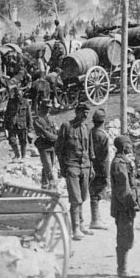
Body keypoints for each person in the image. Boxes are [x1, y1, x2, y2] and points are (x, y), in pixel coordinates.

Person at [56, 102, 95, 240]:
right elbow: (59, 149)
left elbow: (90, 150)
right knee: (75, 199)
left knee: (83, 197)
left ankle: (82, 224)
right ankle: (75, 228)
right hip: (71, 166)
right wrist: (63, 168)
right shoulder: (66, 127)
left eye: (87, 113)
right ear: (77, 112)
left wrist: (91, 167)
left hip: (85, 166)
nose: (85, 115)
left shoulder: (87, 127)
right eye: (83, 112)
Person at [109, 135, 140, 278]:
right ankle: (122, 269)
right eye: (128, 144)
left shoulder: (123, 161)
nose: (131, 145)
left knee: (127, 235)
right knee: (124, 236)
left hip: (126, 205)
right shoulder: (119, 163)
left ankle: (123, 268)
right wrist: (131, 204)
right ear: (123, 147)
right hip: (123, 207)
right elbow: (123, 189)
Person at [88, 109, 110, 230]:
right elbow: (104, 156)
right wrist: (106, 173)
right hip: (100, 167)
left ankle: (96, 217)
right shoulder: (103, 135)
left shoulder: (91, 132)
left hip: (91, 166)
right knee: (97, 193)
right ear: (103, 121)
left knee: (93, 192)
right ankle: (95, 220)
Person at [32, 100, 58, 189]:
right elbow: (45, 133)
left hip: (52, 145)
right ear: (42, 107)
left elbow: (56, 129)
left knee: (49, 165)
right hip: (43, 145)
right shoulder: (37, 120)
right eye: (46, 108)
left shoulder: (51, 118)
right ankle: (52, 184)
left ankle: (44, 183)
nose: (48, 110)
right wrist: (58, 138)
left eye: (49, 108)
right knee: (48, 166)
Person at [4, 87, 32, 159]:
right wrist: (5, 125)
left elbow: (29, 116)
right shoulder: (11, 102)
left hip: (22, 125)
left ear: (22, 95)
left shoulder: (25, 102)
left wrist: (30, 128)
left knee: (23, 142)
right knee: (12, 141)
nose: (18, 96)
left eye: (19, 95)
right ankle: (17, 154)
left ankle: (23, 156)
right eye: (16, 95)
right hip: (12, 125)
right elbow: (7, 114)